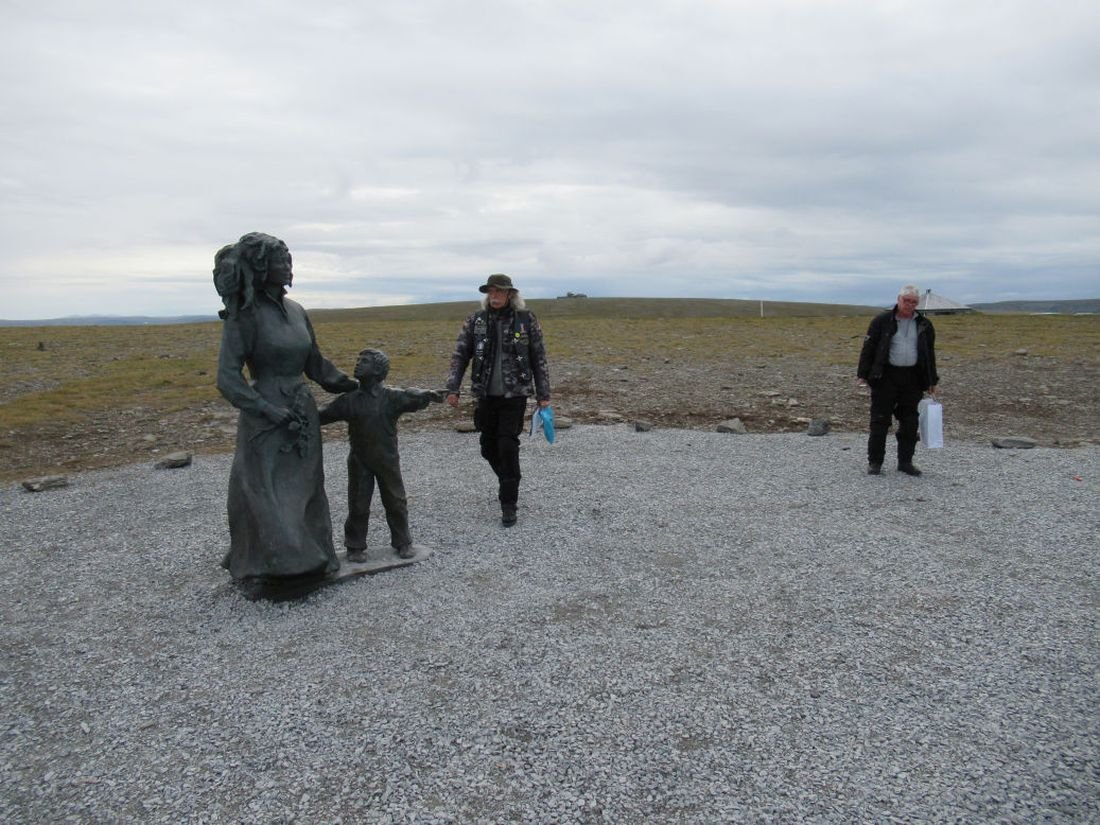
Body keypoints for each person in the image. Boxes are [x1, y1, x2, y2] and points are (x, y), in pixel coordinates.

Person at [214, 232, 358, 593]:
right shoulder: (244, 316)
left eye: (289, 257)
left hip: (301, 411)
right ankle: (272, 566)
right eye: (281, 259)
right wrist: (264, 408)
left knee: (306, 488)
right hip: (266, 417)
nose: (288, 265)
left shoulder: (296, 311)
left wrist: (348, 383)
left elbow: (315, 363)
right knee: (266, 491)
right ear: (262, 266)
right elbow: (227, 378)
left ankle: (313, 559)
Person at [445, 273, 551, 526]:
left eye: (499, 291)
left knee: (507, 444)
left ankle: (508, 502)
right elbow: (460, 354)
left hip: (515, 394)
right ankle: (508, 479)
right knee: (487, 446)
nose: (494, 296)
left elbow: (538, 357)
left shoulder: (525, 319)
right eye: (491, 292)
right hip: (485, 395)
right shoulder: (476, 320)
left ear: (510, 294)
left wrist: (543, 394)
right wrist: (453, 388)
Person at [319, 349, 444, 561]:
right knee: (358, 504)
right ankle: (355, 546)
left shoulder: (391, 397)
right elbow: (322, 415)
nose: (358, 363)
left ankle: (403, 542)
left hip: (387, 460)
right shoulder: (349, 400)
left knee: (396, 501)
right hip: (359, 460)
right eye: (358, 359)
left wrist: (426, 396)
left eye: (364, 361)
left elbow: (412, 396)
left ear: (378, 370)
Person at [857, 284, 940, 476]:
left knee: (910, 422)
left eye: (913, 302)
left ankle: (905, 462)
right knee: (880, 420)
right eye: (906, 300)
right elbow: (869, 347)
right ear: (898, 299)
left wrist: (931, 381)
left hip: (912, 378)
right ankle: (875, 462)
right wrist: (863, 374)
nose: (909, 305)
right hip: (885, 377)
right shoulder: (882, 320)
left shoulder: (924, 324)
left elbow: (929, 354)